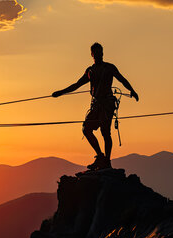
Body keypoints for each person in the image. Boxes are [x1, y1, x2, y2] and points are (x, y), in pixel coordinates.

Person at [52, 42, 139, 170]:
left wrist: (132, 90)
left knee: (105, 132)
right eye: (96, 53)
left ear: (102, 53)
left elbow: (122, 79)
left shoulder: (109, 68)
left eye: (101, 52)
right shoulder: (90, 71)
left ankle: (106, 161)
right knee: (86, 129)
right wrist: (60, 93)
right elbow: (77, 85)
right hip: (96, 105)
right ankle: (100, 156)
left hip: (107, 104)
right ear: (92, 54)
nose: (99, 55)